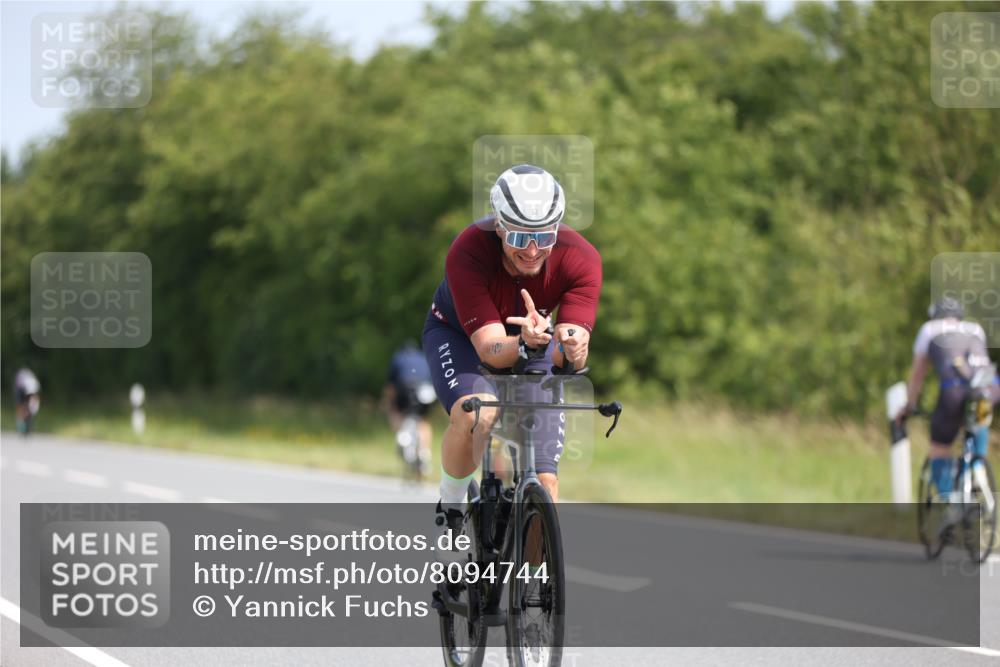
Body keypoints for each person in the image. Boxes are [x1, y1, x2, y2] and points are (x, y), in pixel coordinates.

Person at [421, 164, 602, 534]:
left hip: (532, 345)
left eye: (544, 237)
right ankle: (452, 510)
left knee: (547, 482)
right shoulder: (469, 250)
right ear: (499, 227)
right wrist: (525, 343)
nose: (534, 251)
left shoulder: (581, 259)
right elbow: (489, 349)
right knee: (478, 415)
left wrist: (573, 348)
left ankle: (535, 580)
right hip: (461, 337)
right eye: (520, 238)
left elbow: (565, 355)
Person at [895, 296, 999, 506]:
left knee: (940, 449)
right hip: (989, 390)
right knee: (978, 424)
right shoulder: (975, 329)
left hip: (954, 392)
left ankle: (949, 503)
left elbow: (917, 375)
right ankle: (978, 468)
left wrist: (909, 406)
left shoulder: (929, 329)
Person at [384, 341, 436, 477]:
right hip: (425, 390)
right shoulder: (424, 357)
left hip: (405, 388)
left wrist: (389, 404)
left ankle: (401, 435)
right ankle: (424, 452)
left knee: (396, 411)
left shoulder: (398, 357)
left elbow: (391, 386)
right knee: (424, 421)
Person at [13, 367, 41, 435]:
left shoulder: (35, 385)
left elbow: (35, 398)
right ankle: (20, 424)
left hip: (27, 390)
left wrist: (33, 409)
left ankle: (28, 425)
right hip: (20, 389)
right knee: (20, 406)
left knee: (29, 408)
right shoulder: (20, 386)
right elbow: (20, 399)